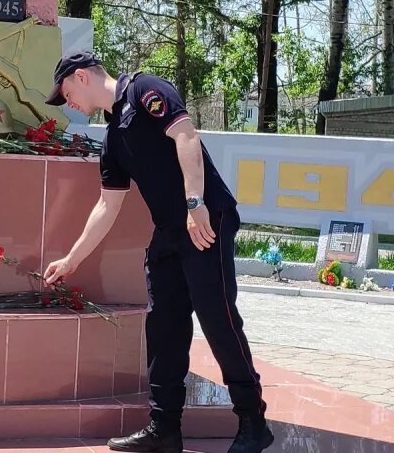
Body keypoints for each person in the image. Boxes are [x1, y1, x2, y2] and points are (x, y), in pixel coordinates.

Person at [43, 51, 274, 453]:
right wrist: (72, 258)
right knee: (164, 327)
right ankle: (164, 428)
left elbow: (186, 135)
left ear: (81, 77)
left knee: (217, 319)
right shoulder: (113, 137)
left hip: (205, 221)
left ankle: (253, 420)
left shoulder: (145, 89)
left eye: (65, 94)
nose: (69, 106)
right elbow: (106, 205)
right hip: (168, 233)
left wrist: (194, 203)